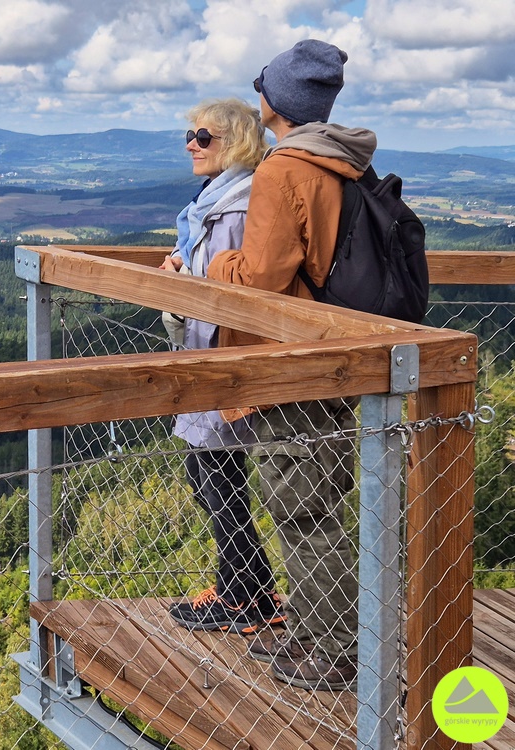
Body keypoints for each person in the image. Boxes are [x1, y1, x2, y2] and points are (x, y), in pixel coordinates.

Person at [207, 39, 373, 692]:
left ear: (277, 100)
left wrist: (216, 267)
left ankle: (333, 649)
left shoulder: (285, 170)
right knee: (314, 506)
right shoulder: (339, 164)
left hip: (296, 363)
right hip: (335, 356)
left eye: (262, 85)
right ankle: (311, 636)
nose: (258, 95)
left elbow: (263, 277)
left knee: (304, 512)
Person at [160, 98, 285, 635]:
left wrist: (181, 281)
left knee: (215, 472)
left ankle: (246, 597)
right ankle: (245, 589)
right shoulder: (219, 199)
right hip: (212, 355)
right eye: (190, 134)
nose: (191, 142)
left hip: (221, 357)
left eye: (203, 136)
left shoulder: (233, 208)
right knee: (211, 471)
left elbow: (227, 293)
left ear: (233, 143)